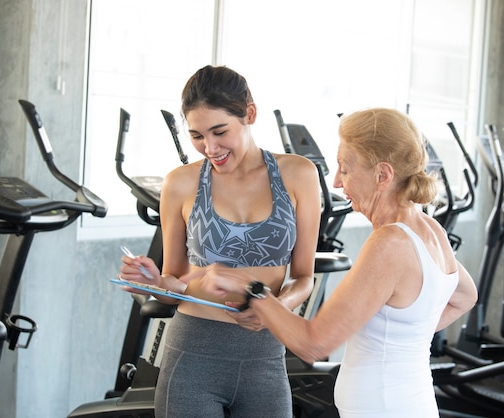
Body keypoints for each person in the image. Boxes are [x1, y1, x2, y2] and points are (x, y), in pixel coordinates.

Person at [198, 108, 479, 417]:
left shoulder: (389, 244)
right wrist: (403, 340)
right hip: (409, 403)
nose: (336, 182)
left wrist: (251, 289)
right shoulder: (431, 230)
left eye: (345, 168)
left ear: (382, 175)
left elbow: (313, 344)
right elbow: (466, 296)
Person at [119, 65, 322, 417]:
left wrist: (276, 308)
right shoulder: (179, 183)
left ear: (250, 114)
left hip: (265, 355)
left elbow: (304, 276)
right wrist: (155, 283)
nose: (209, 148)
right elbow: (176, 280)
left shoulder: (299, 174)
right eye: (197, 136)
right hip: (193, 355)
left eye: (219, 131)